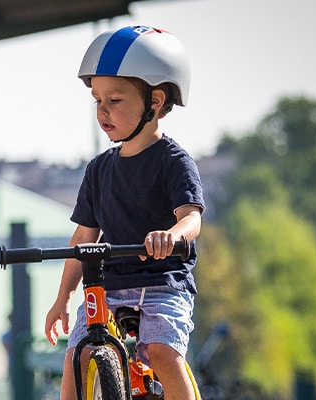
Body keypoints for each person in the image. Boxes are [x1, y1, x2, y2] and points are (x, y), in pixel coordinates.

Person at [41, 25, 205, 400]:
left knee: (162, 352)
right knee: (77, 356)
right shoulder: (99, 170)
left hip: (163, 282)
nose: (103, 111)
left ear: (155, 101)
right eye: (97, 100)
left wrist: (172, 236)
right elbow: (83, 239)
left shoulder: (174, 162)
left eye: (114, 100)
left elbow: (191, 218)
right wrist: (63, 298)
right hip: (109, 286)